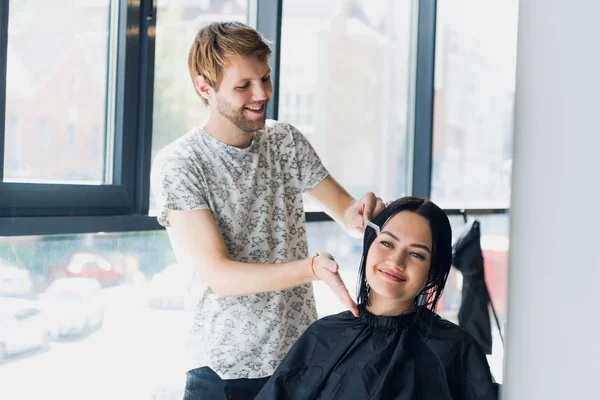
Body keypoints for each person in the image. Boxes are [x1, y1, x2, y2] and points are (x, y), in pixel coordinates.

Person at [150, 21, 385, 399]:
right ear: (204, 87)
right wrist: (311, 269)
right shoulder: (180, 163)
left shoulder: (285, 141)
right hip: (224, 371)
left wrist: (362, 213)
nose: (261, 94)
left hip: (298, 361)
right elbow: (221, 276)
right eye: (243, 86)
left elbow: (345, 212)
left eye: (265, 78)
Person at [255, 197, 500, 400]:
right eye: (386, 243)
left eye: (416, 254)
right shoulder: (322, 335)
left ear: (433, 271)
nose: (395, 261)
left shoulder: (456, 349)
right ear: (369, 245)